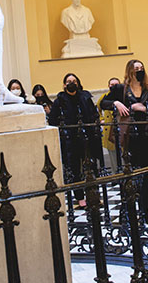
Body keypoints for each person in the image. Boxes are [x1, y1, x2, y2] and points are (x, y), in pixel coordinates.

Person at [101, 59, 148, 223]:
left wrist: (144, 108)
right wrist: (116, 102)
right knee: (130, 176)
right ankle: (126, 213)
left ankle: (146, 212)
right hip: (128, 139)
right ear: (129, 71)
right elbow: (104, 103)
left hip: (146, 137)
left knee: (147, 176)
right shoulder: (121, 89)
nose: (139, 71)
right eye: (136, 68)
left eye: (141, 68)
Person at [50, 73, 101, 209]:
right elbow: (53, 119)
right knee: (75, 169)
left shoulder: (85, 96)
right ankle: (79, 197)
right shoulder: (60, 100)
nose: (71, 83)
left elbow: (93, 113)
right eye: (68, 81)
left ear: (78, 83)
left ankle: (93, 192)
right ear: (64, 84)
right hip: (70, 138)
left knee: (91, 166)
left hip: (87, 136)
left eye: (74, 81)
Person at [97, 77, 121, 173]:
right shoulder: (104, 97)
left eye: (116, 84)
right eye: (111, 84)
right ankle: (116, 174)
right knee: (112, 153)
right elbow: (97, 109)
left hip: (122, 128)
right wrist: (101, 120)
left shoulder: (123, 95)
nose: (113, 86)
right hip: (109, 129)